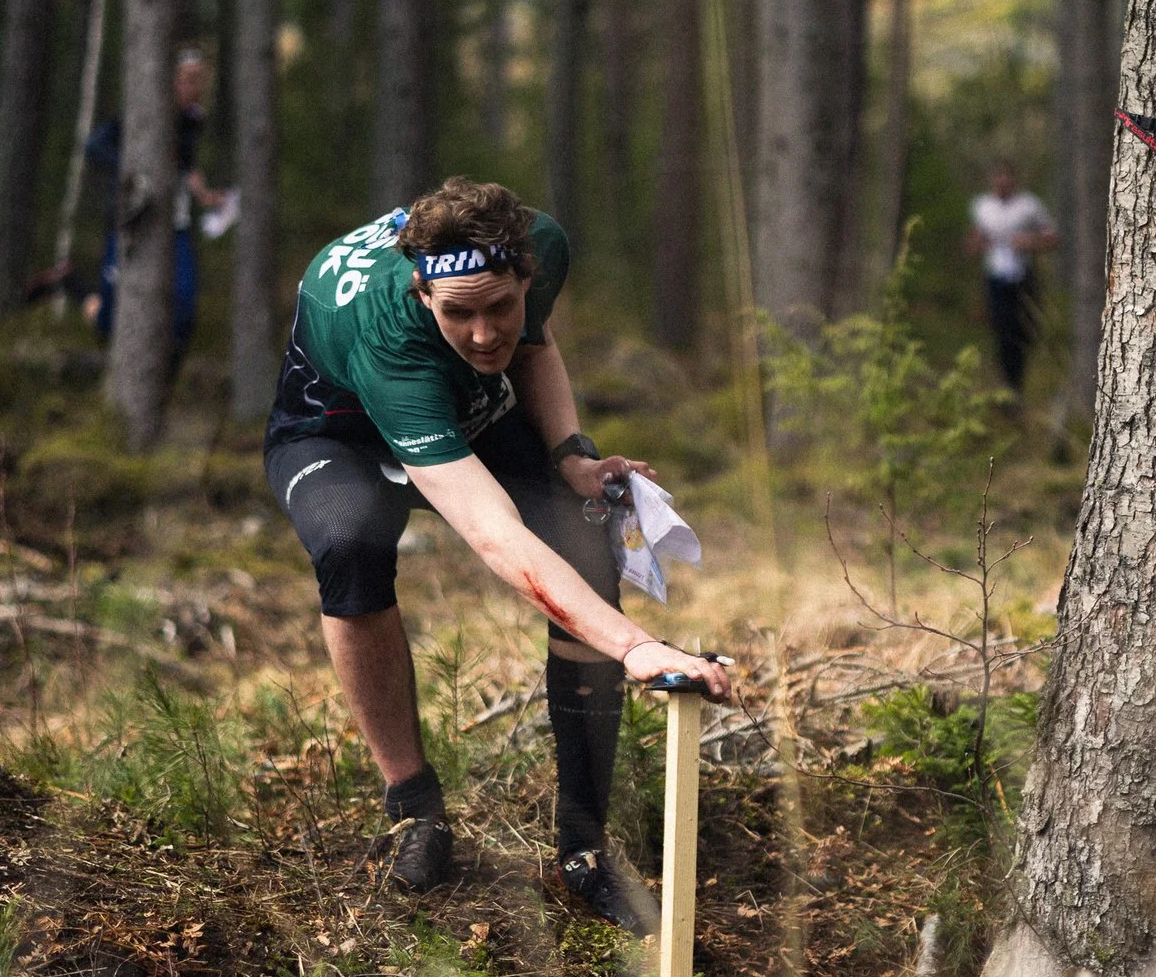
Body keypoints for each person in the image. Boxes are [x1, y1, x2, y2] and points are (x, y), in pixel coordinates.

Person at [260, 178, 735, 927]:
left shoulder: (538, 243)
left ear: (527, 274)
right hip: (337, 431)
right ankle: (414, 809)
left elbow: (534, 343)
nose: (484, 332)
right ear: (421, 292)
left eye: (499, 307)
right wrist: (637, 646)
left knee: (584, 542)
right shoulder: (390, 339)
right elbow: (493, 532)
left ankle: (582, 850)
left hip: (465, 405)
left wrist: (572, 452)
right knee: (351, 543)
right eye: (459, 313)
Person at [86, 48, 227, 359]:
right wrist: (133, 169)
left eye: (200, 80)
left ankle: (160, 366)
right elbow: (94, 146)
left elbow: (186, 166)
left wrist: (204, 195)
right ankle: (79, 293)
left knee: (184, 306)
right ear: (173, 81)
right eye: (190, 79)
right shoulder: (140, 116)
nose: (196, 87)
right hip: (131, 221)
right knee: (110, 315)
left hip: (174, 225)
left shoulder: (193, 120)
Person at [965, 162, 1059, 395]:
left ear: (1014, 180)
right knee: (1002, 333)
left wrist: (1029, 242)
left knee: (1024, 332)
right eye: (998, 178)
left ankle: (1019, 382)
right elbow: (972, 244)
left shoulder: (1028, 205)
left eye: (1006, 178)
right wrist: (979, 242)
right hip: (995, 278)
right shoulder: (982, 207)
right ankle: (1008, 388)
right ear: (992, 180)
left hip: (1022, 278)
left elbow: (1052, 237)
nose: (1002, 183)